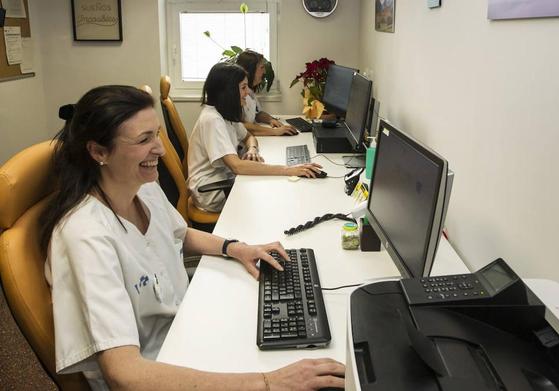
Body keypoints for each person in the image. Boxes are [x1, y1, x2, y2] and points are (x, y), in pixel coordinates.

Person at [40, 85, 344, 391]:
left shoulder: (141, 186)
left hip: (184, 331)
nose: (159, 148)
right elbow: (124, 374)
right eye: (144, 140)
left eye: (157, 134)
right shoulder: (84, 235)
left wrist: (235, 248)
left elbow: (179, 233)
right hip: (157, 370)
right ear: (98, 152)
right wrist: (268, 383)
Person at [188, 62, 323, 213]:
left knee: (272, 186)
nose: (247, 93)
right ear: (229, 91)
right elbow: (237, 166)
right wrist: (288, 169)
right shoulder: (212, 120)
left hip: (225, 179)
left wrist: (252, 149)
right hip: (213, 190)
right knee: (273, 193)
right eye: (243, 88)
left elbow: (249, 136)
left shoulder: (224, 113)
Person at [236, 50, 298, 136]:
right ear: (251, 70)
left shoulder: (250, 92)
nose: (264, 72)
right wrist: (275, 132)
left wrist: (271, 120)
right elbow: (240, 125)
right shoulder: (238, 94)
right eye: (261, 68)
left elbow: (257, 113)